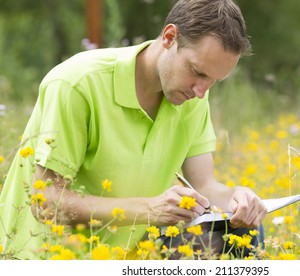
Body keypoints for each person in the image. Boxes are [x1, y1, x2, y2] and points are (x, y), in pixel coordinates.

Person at [0, 0, 267, 260]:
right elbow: (45, 202)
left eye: (213, 81)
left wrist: (238, 198)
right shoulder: (78, 83)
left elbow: (205, 185)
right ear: (169, 37)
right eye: (197, 71)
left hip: (128, 257)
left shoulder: (191, 95)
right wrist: (149, 209)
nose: (201, 91)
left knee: (242, 229)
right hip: (50, 257)